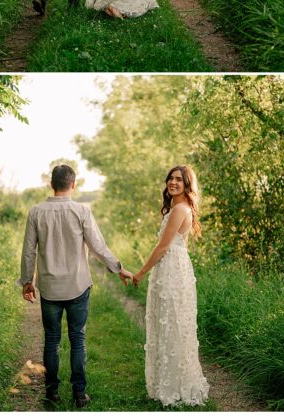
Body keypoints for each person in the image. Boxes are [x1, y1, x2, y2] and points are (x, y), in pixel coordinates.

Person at [19, 164, 132, 408]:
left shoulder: (36, 212)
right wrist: (118, 268)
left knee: (51, 340)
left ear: (51, 184)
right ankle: (80, 394)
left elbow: (29, 251)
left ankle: (52, 393)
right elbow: (97, 246)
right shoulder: (82, 210)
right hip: (78, 285)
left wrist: (28, 281)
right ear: (73, 184)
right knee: (77, 339)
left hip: (49, 287)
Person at [131, 165, 209, 407]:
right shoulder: (179, 208)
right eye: (171, 178)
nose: (173, 182)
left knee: (172, 323)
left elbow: (163, 247)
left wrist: (141, 272)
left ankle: (174, 385)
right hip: (175, 267)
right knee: (172, 322)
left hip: (171, 268)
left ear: (187, 185)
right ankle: (171, 381)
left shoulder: (179, 210)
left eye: (179, 179)